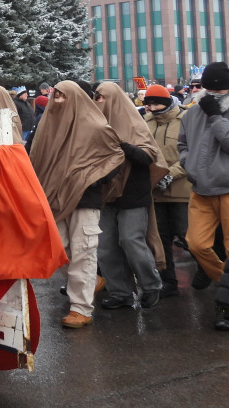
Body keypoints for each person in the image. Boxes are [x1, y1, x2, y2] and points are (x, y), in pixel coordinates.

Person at [29, 81, 126, 329]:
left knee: (84, 249)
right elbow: (34, 157)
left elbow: (115, 158)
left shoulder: (95, 126)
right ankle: (89, 281)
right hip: (53, 197)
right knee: (56, 249)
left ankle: (80, 308)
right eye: (56, 95)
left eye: (64, 96)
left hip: (85, 198)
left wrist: (88, 179)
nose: (58, 100)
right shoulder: (46, 126)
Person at [93, 82, 167, 310]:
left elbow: (148, 157)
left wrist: (122, 145)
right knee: (105, 246)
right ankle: (120, 292)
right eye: (96, 96)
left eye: (101, 97)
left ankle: (152, 285)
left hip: (133, 194)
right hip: (106, 194)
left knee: (131, 241)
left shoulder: (135, 123)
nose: (97, 101)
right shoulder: (96, 125)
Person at [177, 61, 229, 330]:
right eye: (209, 88)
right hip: (201, 188)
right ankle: (224, 285)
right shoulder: (191, 113)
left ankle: (225, 303)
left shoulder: (214, 112)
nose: (213, 94)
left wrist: (216, 117)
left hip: (228, 188)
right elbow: (181, 144)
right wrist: (188, 165)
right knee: (196, 244)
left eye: (218, 90)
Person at [142, 84, 194, 297]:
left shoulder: (186, 119)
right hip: (156, 191)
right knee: (160, 239)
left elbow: (192, 153)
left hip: (181, 190)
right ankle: (168, 282)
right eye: (148, 104)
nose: (152, 108)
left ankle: (209, 273)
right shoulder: (144, 122)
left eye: (155, 103)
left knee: (188, 236)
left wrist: (171, 173)